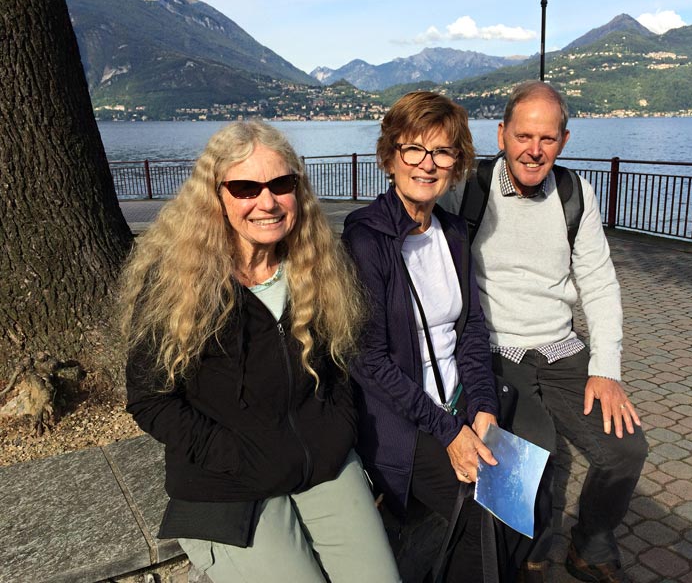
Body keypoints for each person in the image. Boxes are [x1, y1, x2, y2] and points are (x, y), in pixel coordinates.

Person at [119, 121, 400, 583]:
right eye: (246, 187)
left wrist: (336, 434)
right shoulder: (177, 284)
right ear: (217, 195)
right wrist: (235, 454)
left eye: (281, 184)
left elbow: (341, 366)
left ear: (298, 190)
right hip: (228, 482)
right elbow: (149, 399)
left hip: (320, 462)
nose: (266, 202)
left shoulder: (319, 268)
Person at [441, 81, 648, 583]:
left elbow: (599, 282)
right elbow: (414, 213)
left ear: (565, 140)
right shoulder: (466, 187)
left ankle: (590, 545)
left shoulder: (575, 194)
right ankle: (527, 556)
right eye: (523, 136)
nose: (534, 150)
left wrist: (606, 370)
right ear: (502, 134)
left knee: (625, 450)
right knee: (531, 455)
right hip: (494, 347)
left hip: (559, 346)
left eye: (547, 139)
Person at [342, 91, 528, 583]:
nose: (427, 164)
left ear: (456, 162)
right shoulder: (368, 237)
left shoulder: (452, 232)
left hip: (459, 404)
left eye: (442, 151)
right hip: (403, 421)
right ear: (390, 156)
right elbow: (368, 360)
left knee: (520, 500)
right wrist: (448, 432)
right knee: (483, 518)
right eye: (413, 149)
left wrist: (483, 406)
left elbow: (470, 330)